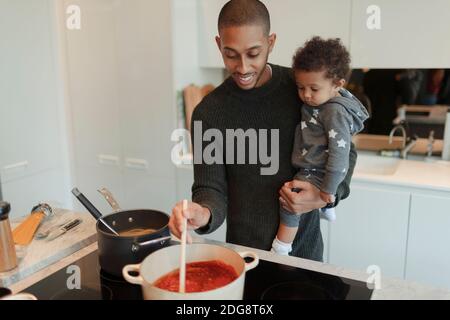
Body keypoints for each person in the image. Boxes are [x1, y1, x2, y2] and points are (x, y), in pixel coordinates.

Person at [169, 0, 357, 261]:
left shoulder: (302, 88)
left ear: (271, 42)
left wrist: (325, 197)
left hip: (305, 254)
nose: (243, 67)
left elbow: (346, 151)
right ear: (218, 44)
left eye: (253, 53)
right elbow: (210, 189)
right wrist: (202, 213)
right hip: (245, 257)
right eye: (231, 54)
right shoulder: (209, 114)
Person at [271, 37, 369, 255]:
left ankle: (282, 246)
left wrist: (327, 191)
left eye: (314, 88)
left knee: (290, 201)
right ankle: (327, 210)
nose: (306, 95)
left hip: (316, 170)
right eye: (301, 87)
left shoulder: (334, 112)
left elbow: (340, 154)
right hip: (311, 165)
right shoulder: (320, 101)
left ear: (337, 85)